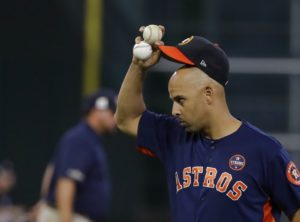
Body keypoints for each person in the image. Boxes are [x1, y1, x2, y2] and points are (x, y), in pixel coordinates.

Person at [115, 26, 300, 222]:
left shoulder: (264, 150)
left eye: (181, 100)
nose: (174, 110)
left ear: (208, 94)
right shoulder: (175, 135)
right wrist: (138, 67)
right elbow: (127, 118)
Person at [37, 89, 117, 222]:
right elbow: (66, 181)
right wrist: (65, 218)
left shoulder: (88, 138)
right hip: (69, 216)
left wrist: (44, 200)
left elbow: (52, 170)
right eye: (113, 112)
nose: (116, 118)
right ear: (98, 111)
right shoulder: (81, 139)